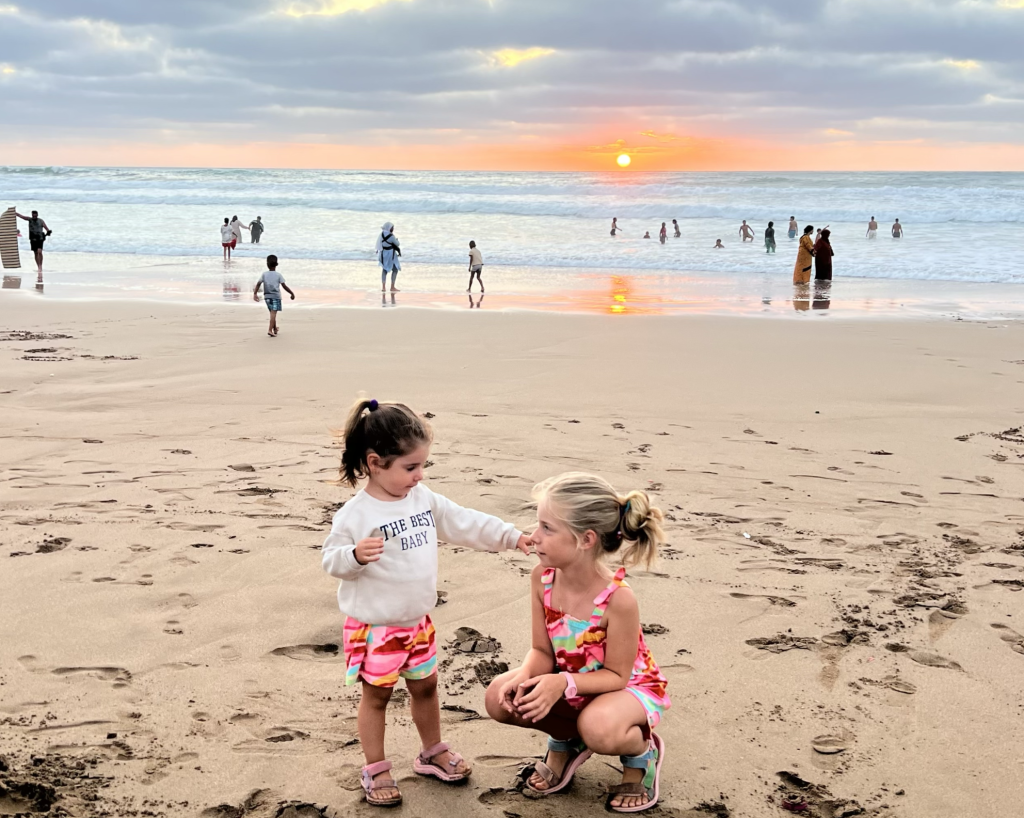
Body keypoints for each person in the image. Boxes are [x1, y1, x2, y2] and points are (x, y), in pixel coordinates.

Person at [322, 399, 530, 807]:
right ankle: (376, 767)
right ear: (375, 462)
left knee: (427, 687)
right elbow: (330, 559)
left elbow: (464, 522)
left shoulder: (424, 501)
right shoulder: (355, 515)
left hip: (417, 623)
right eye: (410, 468)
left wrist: (510, 536)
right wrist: (354, 556)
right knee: (376, 697)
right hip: (376, 627)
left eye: (423, 467)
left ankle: (431, 751)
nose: (418, 477)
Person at [485, 472, 670, 813]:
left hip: (625, 688)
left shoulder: (618, 600)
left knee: (598, 729)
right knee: (499, 698)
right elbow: (543, 651)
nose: (533, 536)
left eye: (546, 528)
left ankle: (640, 755)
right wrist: (525, 674)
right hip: (570, 682)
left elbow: (617, 675)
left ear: (585, 539)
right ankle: (565, 743)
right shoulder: (542, 578)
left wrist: (563, 682)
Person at [253, 254, 294, 337]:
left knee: (272, 313)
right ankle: (270, 330)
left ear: (267, 264)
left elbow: (258, 284)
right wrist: (291, 293)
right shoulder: (278, 275)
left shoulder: (264, 274)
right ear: (276, 264)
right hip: (276, 297)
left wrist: (255, 294)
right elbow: (284, 286)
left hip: (267, 297)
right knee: (273, 314)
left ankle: (275, 329)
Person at [15, 210, 51, 274]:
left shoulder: (41, 221)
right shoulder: (30, 220)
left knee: (39, 251)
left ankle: (40, 266)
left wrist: (48, 232)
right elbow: (22, 217)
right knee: (35, 253)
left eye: (35, 215)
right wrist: (16, 214)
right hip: (33, 239)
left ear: (37, 215)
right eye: (33, 215)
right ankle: (38, 266)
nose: (34, 217)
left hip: (40, 238)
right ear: (32, 215)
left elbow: (47, 229)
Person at [376, 222, 401, 292]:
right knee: (395, 269)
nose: (393, 229)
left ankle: (383, 287)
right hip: (390, 254)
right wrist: (396, 240)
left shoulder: (381, 234)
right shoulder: (391, 236)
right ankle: (392, 287)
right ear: (389, 228)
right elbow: (397, 244)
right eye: (392, 228)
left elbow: (378, 243)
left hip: (383, 254)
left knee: (384, 269)